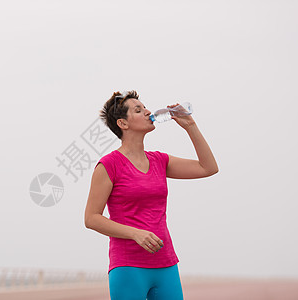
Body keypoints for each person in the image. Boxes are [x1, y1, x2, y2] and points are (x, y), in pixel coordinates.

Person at [84, 90, 219, 300]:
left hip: (166, 263)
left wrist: (190, 126)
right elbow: (91, 218)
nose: (147, 112)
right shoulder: (109, 165)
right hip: (128, 265)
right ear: (123, 124)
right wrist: (136, 233)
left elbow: (208, 168)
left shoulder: (159, 161)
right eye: (138, 110)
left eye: (145, 107)